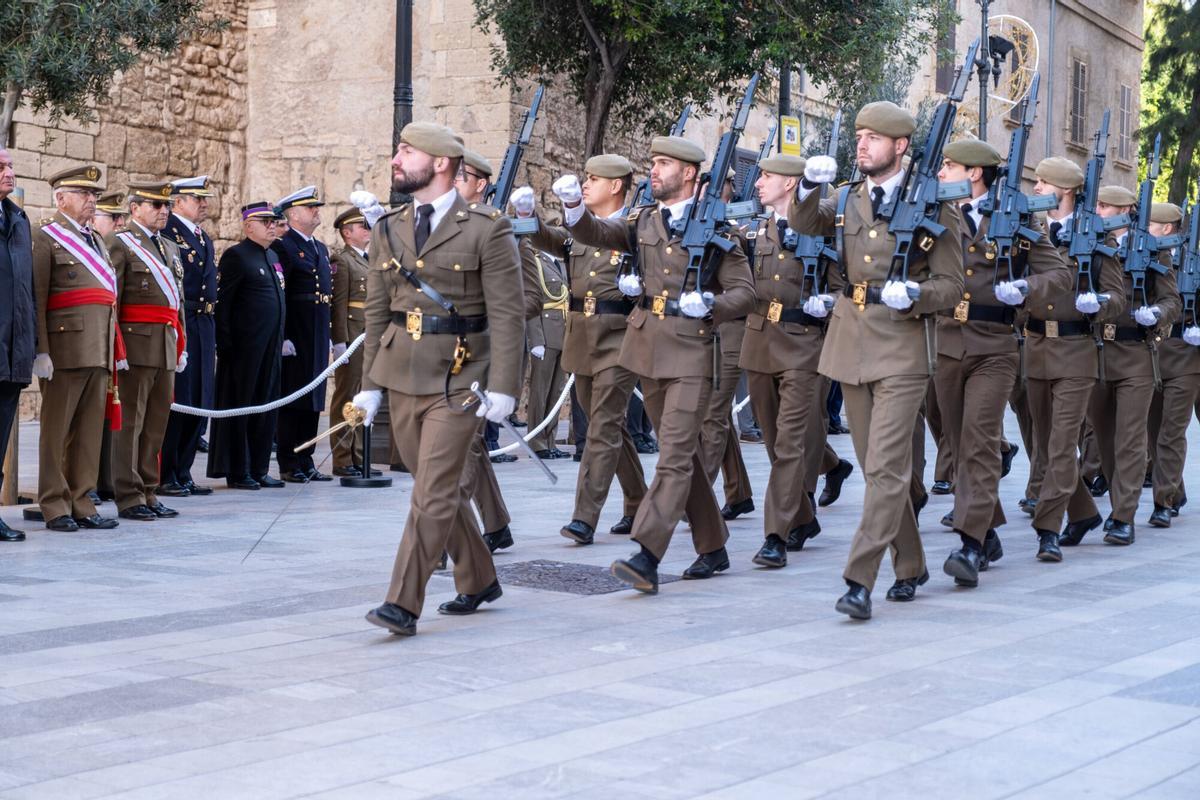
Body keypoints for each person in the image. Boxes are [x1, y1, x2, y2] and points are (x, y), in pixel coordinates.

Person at [550, 135, 756, 592]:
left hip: (693, 351)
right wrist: (573, 209)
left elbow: (746, 292)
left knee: (676, 455)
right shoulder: (644, 221)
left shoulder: (719, 229)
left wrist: (713, 304)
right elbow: (598, 233)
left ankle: (647, 553)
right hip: (647, 348)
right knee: (680, 457)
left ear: (688, 173)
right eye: (654, 162)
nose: (654, 170)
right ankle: (713, 545)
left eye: (663, 164)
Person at [789, 102, 965, 619]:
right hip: (850, 341)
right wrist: (805, 187)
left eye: (873, 137)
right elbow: (806, 221)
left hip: (904, 347)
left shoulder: (936, 206)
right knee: (874, 471)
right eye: (859, 135)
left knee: (888, 469)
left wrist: (915, 294)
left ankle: (858, 579)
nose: (862, 144)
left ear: (901, 146)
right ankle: (911, 565)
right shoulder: (846, 197)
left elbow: (952, 285)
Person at [354, 121, 525, 636]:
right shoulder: (388, 227)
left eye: (406, 151)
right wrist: (368, 386)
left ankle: (402, 603)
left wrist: (504, 386)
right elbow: (377, 313)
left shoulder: (486, 227)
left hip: (460, 376)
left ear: (441, 163)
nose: (395, 160)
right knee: (437, 488)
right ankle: (478, 578)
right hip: (401, 370)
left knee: (430, 492)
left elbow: (508, 314)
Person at [932, 139, 1070, 584]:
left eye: (949, 166)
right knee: (954, 444)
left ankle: (970, 546)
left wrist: (1027, 288)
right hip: (946, 342)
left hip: (994, 344)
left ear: (975, 173)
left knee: (978, 441)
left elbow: (1060, 274)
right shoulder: (937, 215)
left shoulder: (1019, 218)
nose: (941, 173)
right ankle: (987, 530)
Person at [513, 153, 648, 544]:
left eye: (593, 179)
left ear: (616, 185)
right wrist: (528, 216)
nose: (585, 184)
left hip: (620, 335)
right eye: (584, 178)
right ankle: (639, 501)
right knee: (612, 426)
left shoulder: (634, 227)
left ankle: (584, 517)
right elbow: (552, 240)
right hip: (582, 336)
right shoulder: (578, 230)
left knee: (602, 427)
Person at [739, 153, 841, 568]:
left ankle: (775, 536)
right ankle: (801, 514)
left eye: (767, 176)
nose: (759, 182)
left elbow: (844, 285)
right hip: (760, 341)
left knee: (789, 442)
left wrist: (827, 302)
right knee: (769, 437)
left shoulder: (824, 231)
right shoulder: (756, 229)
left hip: (803, 345)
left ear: (790, 183)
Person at [1063, 185, 1179, 546]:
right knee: (1103, 437)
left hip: (1135, 354)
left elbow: (1171, 300)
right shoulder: (1087, 244)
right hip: (1095, 350)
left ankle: (1122, 515)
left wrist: (1156, 314)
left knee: (1130, 439)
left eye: (1106, 206)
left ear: (1127, 211)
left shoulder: (1150, 249)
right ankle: (1115, 501)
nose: (1098, 210)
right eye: (1097, 204)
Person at [1024, 157, 1126, 560]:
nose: (1036, 188)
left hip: (1076, 353)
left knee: (1063, 444)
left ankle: (1047, 528)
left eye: (1043, 182)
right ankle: (1083, 513)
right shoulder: (1029, 234)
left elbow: (1117, 298)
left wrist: (1098, 302)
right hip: (1035, 349)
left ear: (1064, 191)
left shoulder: (1097, 242)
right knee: (1044, 446)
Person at [31, 165, 122, 531]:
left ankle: (81, 499)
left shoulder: (96, 241)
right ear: (60, 198)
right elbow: (37, 297)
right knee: (56, 431)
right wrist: (41, 350)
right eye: (84, 194)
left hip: (97, 347)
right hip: (65, 348)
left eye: (94, 196)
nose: (91, 201)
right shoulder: (45, 237)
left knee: (87, 432)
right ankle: (54, 503)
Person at [106, 181, 188, 521]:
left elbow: (177, 302)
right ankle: (128, 495)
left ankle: (150, 490)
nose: (163, 211)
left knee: (156, 424)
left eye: (166, 206)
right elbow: (115, 302)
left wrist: (182, 343)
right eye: (155, 205)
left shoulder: (170, 247)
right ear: (135, 208)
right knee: (131, 424)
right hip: (135, 345)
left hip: (166, 344)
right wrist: (117, 349)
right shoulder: (121, 244)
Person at [206, 202, 287, 490]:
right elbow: (224, 304)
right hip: (243, 350)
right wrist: (225, 344)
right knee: (241, 407)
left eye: (272, 221)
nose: (270, 226)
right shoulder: (236, 256)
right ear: (247, 225)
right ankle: (238, 470)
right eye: (263, 221)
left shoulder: (273, 256)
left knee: (266, 406)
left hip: (270, 347)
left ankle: (259, 466)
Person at [159, 176, 217, 497]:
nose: (204, 204)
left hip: (204, 324)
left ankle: (184, 470)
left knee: (200, 399)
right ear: (178, 202)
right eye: (198, 199)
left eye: (204, 198)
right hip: (185, 320)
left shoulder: (202, 237)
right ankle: (167, 472)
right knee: (181, 400)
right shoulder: (170, 234)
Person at [272, 186, 334, 482]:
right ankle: (289, 460)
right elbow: (281, 294)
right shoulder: (284, 246)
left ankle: (306, 457)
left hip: (317, 330)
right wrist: (282, 336)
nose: (316, 211)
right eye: (310, 208)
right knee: (294, 397)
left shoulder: (319, 248)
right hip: (296, 332)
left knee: (314, 397)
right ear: (293, 214)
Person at [1146, 202, 1199, 527]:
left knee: (1170, 432)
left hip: (1185, 356)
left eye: (1150, 224)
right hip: (1150, 355)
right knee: (1152, 431)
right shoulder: (1146, 259)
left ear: (1166, 229)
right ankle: (1175, 490)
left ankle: (1163, 501)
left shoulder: (1193, 262)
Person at [0, 147, 34, 542]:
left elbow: (27, 290)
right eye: (2, 167)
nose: (10, 173)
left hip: (12, 352)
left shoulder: (19, 220)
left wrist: (33, 346)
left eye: (10, 166)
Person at [329, 206, 372, 477]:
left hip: (368, 335)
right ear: (347, 232)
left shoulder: (367, 258)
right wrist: (340, 341)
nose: (367, 229)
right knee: (347, 396)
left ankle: (358, 456)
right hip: (353, 335)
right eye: (361, 225)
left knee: (363, 397)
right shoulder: (342, 260)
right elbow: (339, 304)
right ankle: (342, 458)